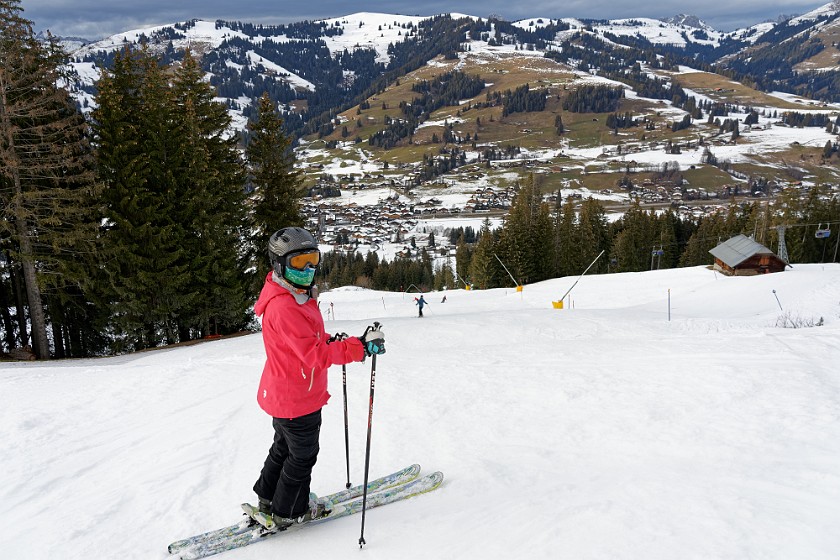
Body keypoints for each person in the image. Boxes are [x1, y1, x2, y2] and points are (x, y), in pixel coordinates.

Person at [252, 227, 385, 530]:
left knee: (284, 448)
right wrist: (359, 348)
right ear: (279, 264)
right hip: (298, 397)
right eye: (300, 262)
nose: (309, 268)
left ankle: (269, 497)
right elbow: (314, 356)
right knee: (303, 455)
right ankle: (290, 510)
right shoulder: (286, 306)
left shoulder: (288, 294)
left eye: (313, 259)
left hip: (285, 391)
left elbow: (308, 339)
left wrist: (338, 341)